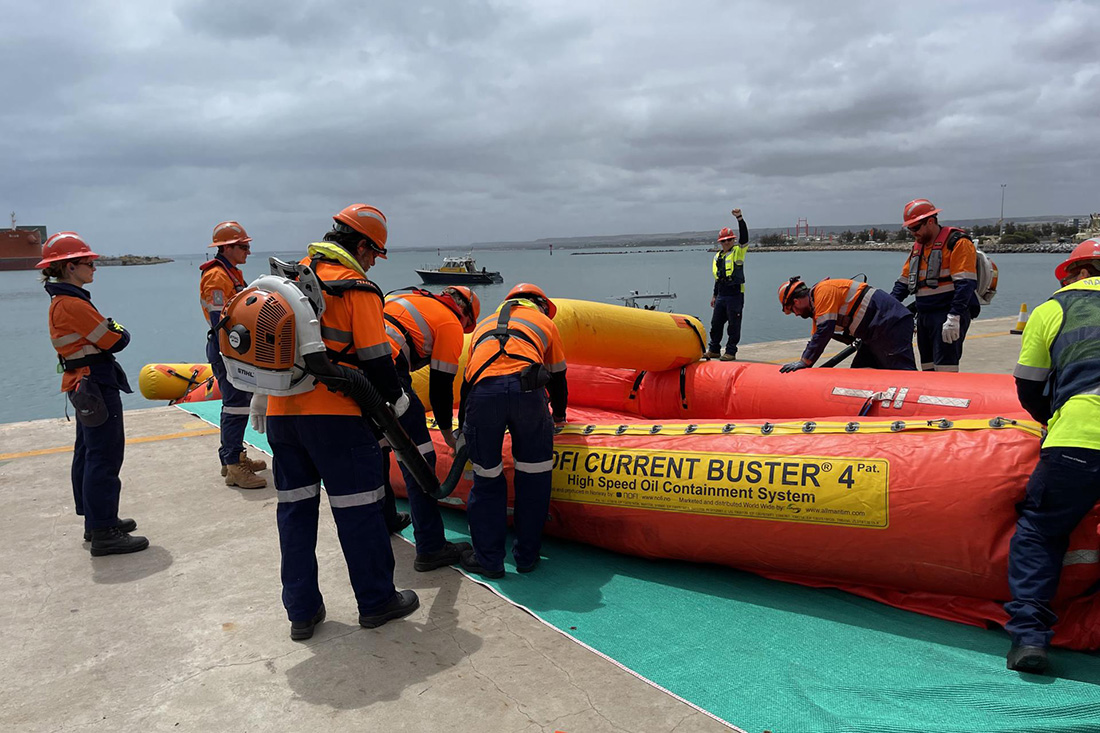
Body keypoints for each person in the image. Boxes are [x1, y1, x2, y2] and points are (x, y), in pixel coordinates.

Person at [257, 204, 419, 640]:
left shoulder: (288, 278)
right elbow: (377, 361)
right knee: (359, 512)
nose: (372, 262)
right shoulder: (357, 289)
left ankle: (302, 612)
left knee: (294, 513)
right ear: (363, 244)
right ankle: (377, 601)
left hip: (282, 415)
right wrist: (399, 406)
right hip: (337, 419)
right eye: (374, 254)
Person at [1003, 238, 1100, 674]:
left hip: (1079, 438)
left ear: (1076, 272)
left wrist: (1051, 419)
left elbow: (1028, 384)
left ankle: (1030, 639)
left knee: (1041, 531)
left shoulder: (1052, 309)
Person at [37, 232, 148, 556]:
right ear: (71, 267)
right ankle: (104, 532)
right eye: (89, 263)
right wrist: (117, 327)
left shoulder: (62, 300)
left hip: (83, 381)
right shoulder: (72, 303)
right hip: (95, 382)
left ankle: (98, 521)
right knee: (104, 455)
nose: (94, 268)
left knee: (89, 452)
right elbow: (116, 340)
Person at [458, 283, 567, 578]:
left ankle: (489, 561)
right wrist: (559, 416)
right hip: (527, 393)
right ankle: (527, 557)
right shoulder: (544, 322)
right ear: (541, 305)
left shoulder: (484, 325)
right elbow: (557, 376)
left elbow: (469, 380)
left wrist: (462, 427)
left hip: (483, 396)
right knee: (534, 476)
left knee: (487, 478)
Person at [380, 285, 480, 568]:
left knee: (378, 448)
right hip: (389, 370)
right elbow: (441, 386)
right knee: (420, 458)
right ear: (465, 316)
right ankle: (431, 547)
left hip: (360, 368)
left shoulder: (407, 297)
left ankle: (385, 519)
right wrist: (449, 434)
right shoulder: (449, 322)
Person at [199, 221, 267, 489]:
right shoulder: (217, 277)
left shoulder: (231, 273)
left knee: (238, 403)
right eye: (243, 246)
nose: (248, 251)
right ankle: (233, 464)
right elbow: (220, 319)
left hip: (235, 345)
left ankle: (234, 458)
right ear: (227, 247)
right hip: (227, 346)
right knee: (235, 404)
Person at [890, 198, 979, 372]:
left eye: (915, 228)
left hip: (947, 315)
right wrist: (886, 308)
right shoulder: (918, 248)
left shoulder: (957, 243)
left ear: (930, 221)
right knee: (928, 368)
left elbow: (965, 283)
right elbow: (903, 283)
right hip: (925, 315)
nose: (913, 233)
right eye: (910, 229)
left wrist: (954, 317)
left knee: (945, 368)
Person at [776, 277, 916, 372]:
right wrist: (806, 361)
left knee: (902, 370)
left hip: (890, 324)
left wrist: (804, 362)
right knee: (860, 370)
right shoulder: (818, 309)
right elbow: (815, 340)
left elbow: (824, 331)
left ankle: (923, 404)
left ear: (796, 302)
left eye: (792, 311)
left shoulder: (823, 292)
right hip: (874, 333)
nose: (796, 314)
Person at [706, 208, 749, 361]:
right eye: (724, 241)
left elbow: (744, 237)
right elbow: (718, 278)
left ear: (733, 240)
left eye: (729, 240)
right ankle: (714, 349)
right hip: (722, 295)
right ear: (720, 242)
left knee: (733, 325)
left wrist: (739, 218)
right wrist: (714, 295)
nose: (727, 243)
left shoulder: (738, 252)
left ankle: (730, 351)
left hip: (735, 294)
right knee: (715, 324)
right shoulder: (718, 257)